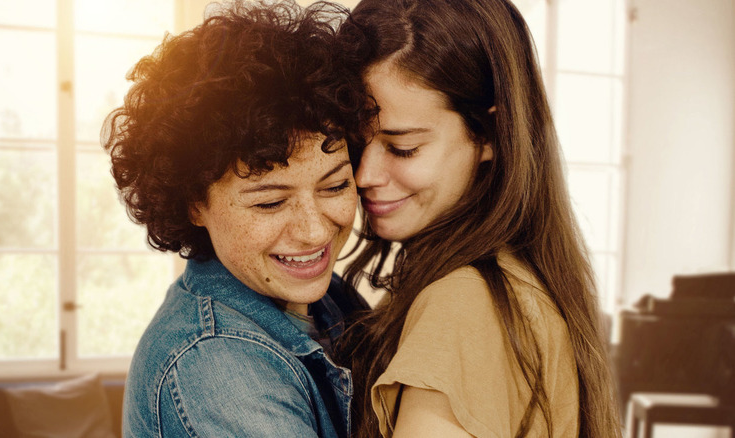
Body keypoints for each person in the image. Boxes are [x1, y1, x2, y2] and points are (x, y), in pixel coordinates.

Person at [335, 0, 623, 436]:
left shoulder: (464, 304)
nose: (364, 176)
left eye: (403, 148)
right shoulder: (515, 283)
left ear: (489, 134)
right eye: (356, 144)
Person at [101, 1, 372, 436]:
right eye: (269, 203)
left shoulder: (329, 299)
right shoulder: (213, 366)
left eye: (335, 186)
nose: (315, 230)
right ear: (193, 203)